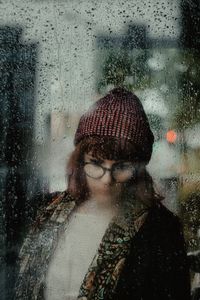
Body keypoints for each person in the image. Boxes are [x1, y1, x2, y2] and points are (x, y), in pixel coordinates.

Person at [14, 87, 191, 300]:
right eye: (96, 163)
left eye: (122, 166)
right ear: (81, 161)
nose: (107, 180)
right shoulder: (43, 210)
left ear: (138, 169)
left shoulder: (160, 231)